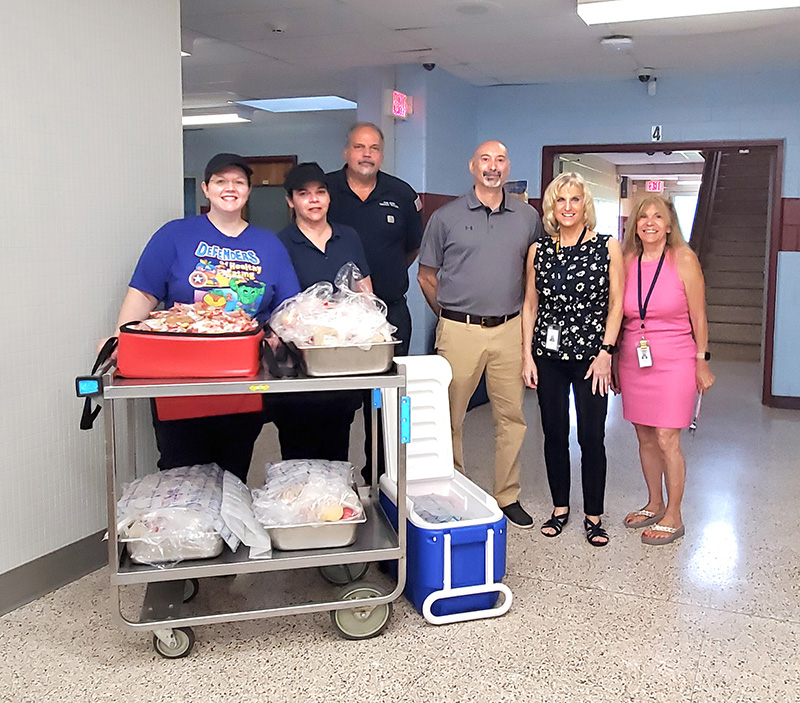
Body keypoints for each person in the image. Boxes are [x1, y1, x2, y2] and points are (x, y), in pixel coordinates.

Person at [111, 153, 300, 483]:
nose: (230, 188)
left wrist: (278, 336)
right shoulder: (175, 235)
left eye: (239, 182)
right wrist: (120, 342)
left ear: (248, 190)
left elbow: (289, 307)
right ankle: (185, 534)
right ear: (205, 189)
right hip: (178, 378)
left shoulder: (268, 244)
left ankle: (225, 535)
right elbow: (143, 293)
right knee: (180, 468)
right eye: (221, 181)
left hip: (241, 378)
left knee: (233, 468)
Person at [417, 140, 543, 528]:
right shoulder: (446, 217)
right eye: (485, 160)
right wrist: (450, 317)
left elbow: (532, 278)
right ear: (473, 166)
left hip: (508, 330)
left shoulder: (527, 217)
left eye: (500, 159)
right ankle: (452, 491)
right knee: (449, 417)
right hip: (458, 331)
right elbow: (426, 275)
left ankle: (507, 495)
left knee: (511, 417)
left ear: (508, 167)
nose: (493, 166)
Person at [521, 173, 624, 547]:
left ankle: (594, 516)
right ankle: (560, 508)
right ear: (552, 206)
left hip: (591, 358)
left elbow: (617, 304)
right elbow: (530, 305)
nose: (567, 207)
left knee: (592, 437)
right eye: (560, 200)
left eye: (575, 199)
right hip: (548, 357)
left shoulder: (606, 247)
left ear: (585, 205)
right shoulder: (540, 250)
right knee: (554, 434)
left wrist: (606, 352)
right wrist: (526, 356)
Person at [327, 122, 424, 479]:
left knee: (385, 403)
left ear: (382, 154)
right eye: (359, 147)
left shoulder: (401, 193)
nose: (366, 154)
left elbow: (412, 247)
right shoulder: (325, 190)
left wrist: (384, 275)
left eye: (373, 148)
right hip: (335, 319)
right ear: (346, 152)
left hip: (391, 313)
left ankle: (381, 477)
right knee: (337, 403)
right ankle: (333, 478)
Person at [616, 195, 714, 545]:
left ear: (670, 225)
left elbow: (699, 315)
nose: (650, 222)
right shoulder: (628, 260)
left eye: (659, 216)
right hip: (634, 356)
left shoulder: (684, 259)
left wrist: (702, 360)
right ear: (635, 225)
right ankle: (654, 502)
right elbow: (617, 310)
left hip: (675, 358)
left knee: (666, 438)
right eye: (644, 217)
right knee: (644, 436)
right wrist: (613, 360)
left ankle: (674, 514)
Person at [273, 162, 372, 461]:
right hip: (296, 367)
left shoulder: (349, 236)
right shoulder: (279, 243)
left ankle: (334, 505)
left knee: (337, 448)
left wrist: (362, 318)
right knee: (297, 453)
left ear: (329, 197)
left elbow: (365, 291)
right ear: (291, 201)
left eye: (320, 192)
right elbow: (277, 307)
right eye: (304, 194)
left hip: (339, 363)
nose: (314, 200)